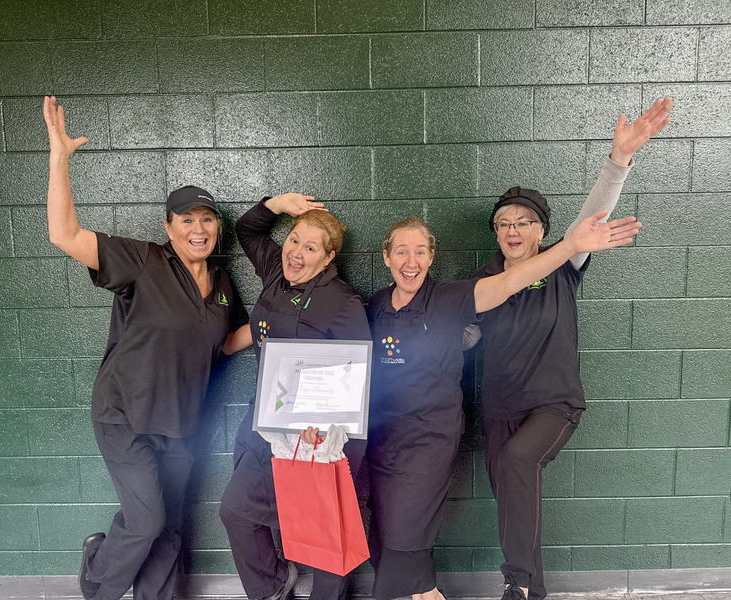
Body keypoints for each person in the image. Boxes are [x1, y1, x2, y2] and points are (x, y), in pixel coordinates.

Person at [366, 203, 643, 600]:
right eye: (401, 251)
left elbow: (510, 283)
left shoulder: (452, 296)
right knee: (385, 527)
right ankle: (489, 589)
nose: (411, 261)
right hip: (399, 431)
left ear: (431, 256)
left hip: (438, 430)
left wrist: (571, 243)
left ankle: (513, 585)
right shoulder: (377, 304)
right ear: (386, 256)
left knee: (412, 525)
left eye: (420, 251)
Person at [43, 96, 251, 600]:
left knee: (170, 527)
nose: (198, 229)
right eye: (186, 220)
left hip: (181, 423)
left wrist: (276, 324)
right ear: (168, 227)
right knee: (145, 521)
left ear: (217, 227)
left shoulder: (223, 284)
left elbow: (224, 342)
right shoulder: (143, 261)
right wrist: (59, 158)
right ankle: (97, 576)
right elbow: (64, 234)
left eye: (207, 220)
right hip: (125, 416)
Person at [467, 98, 673, 600]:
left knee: (519, 462)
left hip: (553, 404)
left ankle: (515, 583)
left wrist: (618, 160)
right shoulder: (482, 280)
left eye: (524, 222)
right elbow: (467, 336)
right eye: (504, 223)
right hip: (498, 407)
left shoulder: (564, 264)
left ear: (542, 231)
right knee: (513, 493)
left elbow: (592, 218)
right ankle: (532, 590)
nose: (513, 231)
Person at [219, 193, 370, 600]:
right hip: (264, 422)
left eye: (310, 247)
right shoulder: (275, 271)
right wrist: (279, 204)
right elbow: (247, 230)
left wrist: (325, 430)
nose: (297, 253)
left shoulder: (342, 301)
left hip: (315, 437)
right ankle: (272, 586)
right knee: (236, 511)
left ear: (329, 257)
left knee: (324, 526)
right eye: (294, 240)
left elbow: (358, 377)